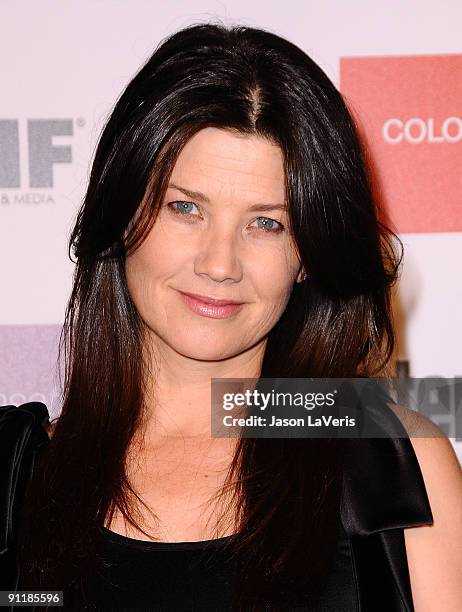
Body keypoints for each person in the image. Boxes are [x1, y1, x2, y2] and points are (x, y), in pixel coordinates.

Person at [1, 22, 461, 611]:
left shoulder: (394, 470)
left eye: (266, 222)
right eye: (185, 207)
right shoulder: (13, 477)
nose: (220, 263)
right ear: (123, 218)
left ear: (307, 257)